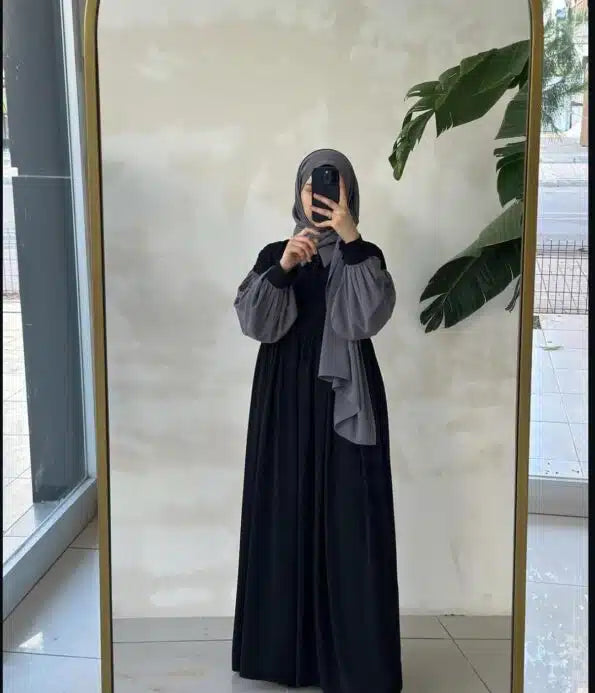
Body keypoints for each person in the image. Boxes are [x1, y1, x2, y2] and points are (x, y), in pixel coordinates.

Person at [232, 149, 402, 693]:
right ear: (298, 193)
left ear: (348, 192)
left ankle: (354, 663)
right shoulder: (275, 253)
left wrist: (350, 238)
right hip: (283, 396)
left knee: (350, 519)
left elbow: (367, 316)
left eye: (331, 185)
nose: (319, 195)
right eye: (311, 186)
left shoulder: (364, 254)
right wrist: (283, 269)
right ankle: (280, 656)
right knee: (284, 508)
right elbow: (254, 322)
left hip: (345, 399)